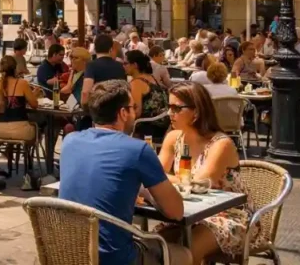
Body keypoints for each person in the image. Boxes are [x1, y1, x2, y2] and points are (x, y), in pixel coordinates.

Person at [59, 80, 187, 264]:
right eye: (133, 107)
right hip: (113, 258)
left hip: (67, 251)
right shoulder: (138, 150)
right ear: (123, 113)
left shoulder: (70, 141)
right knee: (184, 255)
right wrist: (149, 194)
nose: (135, 112)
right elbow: (176, 211)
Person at [158, 82, 260, 264]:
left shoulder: (221, 144)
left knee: (189, 250)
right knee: (154, 245)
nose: (169, 113)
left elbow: (198, 185)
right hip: (188, 214)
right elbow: (154, 177)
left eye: (176, 108)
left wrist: (164, 178)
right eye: (169, 107)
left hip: (231, 216)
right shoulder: (173, 138)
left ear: (196, 112)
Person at [0, 54, 41, 173]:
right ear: (15, 68)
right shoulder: (22, 83)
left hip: (0, 130)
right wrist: (35, 94)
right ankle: (30, 164)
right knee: (39, 127)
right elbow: (34, 105)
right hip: (20, 130)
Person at [125, 51, 169, 140]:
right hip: (163, 126)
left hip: (146, 128)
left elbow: (136, 112)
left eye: (126, 63)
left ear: (135, 65)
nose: (123, 66)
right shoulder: (152, 78)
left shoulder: (136, 83)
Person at [81, 34, 127, 106]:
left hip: (98, 108)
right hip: (117, 108)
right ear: (110, 49)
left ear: (95, 49)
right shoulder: (120, 66)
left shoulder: (91, 65)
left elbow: (86, 92)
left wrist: (84, 106)